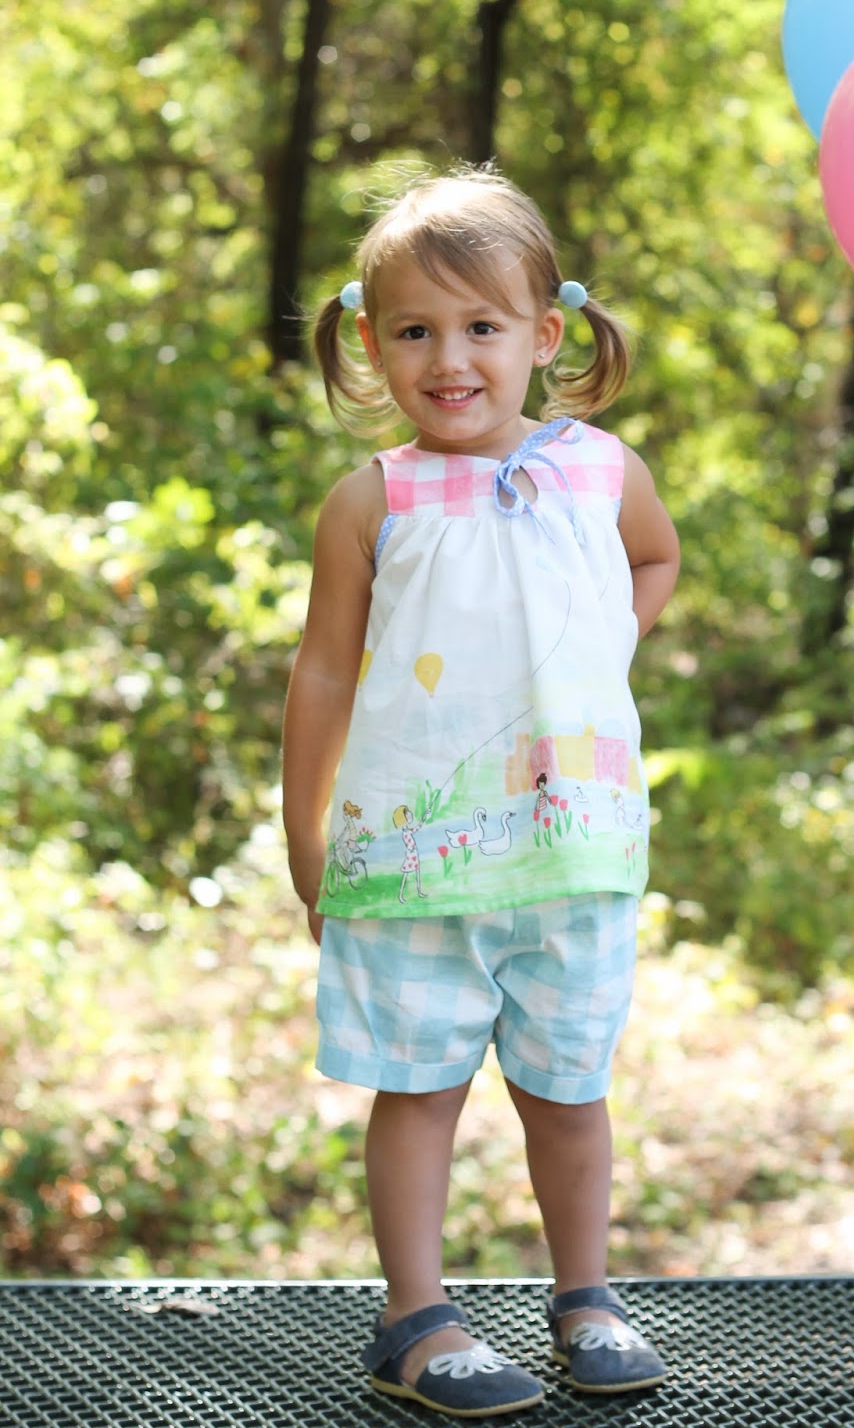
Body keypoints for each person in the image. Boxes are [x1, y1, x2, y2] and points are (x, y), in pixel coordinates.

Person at [282, 163, 680, 1418]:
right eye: (414, 331)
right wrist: (304, 834)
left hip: (574, 853)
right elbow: (322, 672)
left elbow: (654, 559)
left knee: (569, 1089)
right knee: (419, 1088)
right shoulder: (372, 501)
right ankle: (415, 1319)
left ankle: (585, 1298)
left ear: (543, 335)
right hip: (414, 860)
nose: (448, 358)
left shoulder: (600, 473)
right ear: (371, 343)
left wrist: (599, 649)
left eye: (480, 327)